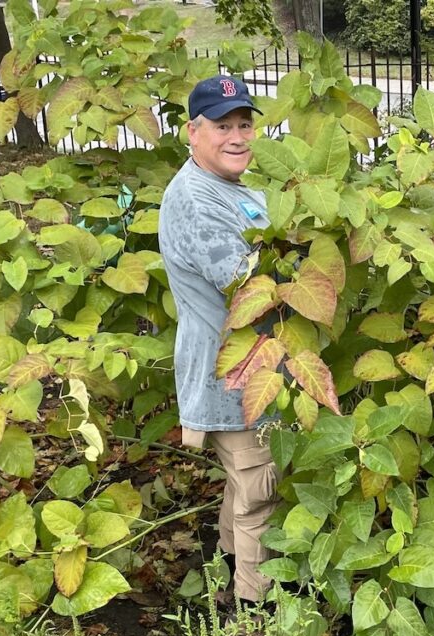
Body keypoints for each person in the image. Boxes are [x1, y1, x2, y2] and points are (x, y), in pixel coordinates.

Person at [158, 75, 278, 608]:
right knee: (259, 493)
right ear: (192, 131)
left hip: (252, 365)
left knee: (244, 485)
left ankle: (230, 588)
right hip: (233, 373)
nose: (237, 136)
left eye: (244, 124)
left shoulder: (229, 186)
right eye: (222, 126)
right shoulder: (196, 200)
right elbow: (247, 285)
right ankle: (258, 619)